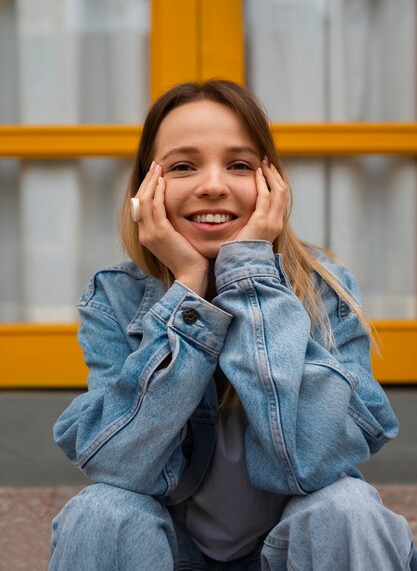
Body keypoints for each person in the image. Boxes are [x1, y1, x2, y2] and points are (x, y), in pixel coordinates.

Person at [48, 79, 416, 571]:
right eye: (183, 166)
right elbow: (118, 463)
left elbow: (313, 459)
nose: (214, 185)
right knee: (102, 512)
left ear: (273, 186)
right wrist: (189, 290)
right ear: (144, 193)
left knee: (346, 509)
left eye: (240, 165)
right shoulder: (115, 298)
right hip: (173, 554)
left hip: (291, 552)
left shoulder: (326, 291)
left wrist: (248, 275)